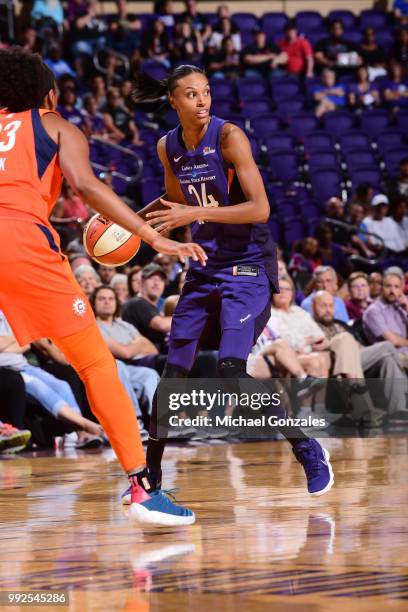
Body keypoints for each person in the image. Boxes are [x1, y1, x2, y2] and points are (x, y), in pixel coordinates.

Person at [0, 47, 206, 525]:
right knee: (95, 364)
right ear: (47, 95)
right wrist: (152, 234)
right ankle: (141, 487)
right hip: (18, 239)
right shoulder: (53, 125)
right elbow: (86, 187)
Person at [131, 64, 334, 498]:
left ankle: (307, 448)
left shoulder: (229, 137)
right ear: (173, 101)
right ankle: (151, 475)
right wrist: (127, 222)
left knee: (230, 368)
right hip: (204, 265)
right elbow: (173, 201)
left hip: (247, 263)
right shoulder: (168, 146)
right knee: (174, 373)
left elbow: (260, 208)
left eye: (206, 92)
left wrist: (191, 214)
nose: (202, 101)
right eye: (191, 95)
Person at [363, 269, 408, 364]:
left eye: (396, 287)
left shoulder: (401, 306)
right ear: (381, 288)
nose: (392, 291)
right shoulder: (373, 311)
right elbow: (393, 341)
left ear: (401, 290)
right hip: (390, 356)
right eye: (388, 286)